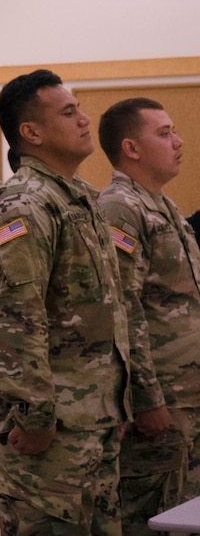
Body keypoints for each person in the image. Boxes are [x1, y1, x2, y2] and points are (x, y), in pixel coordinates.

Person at [0, 69, 130, 535]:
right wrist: (36, 415)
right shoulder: (24, 204)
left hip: (91, 417)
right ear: (31, 133)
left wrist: (118, 401)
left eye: (79, 107)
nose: (85, 119)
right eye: (69, 112)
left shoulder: (80, 198)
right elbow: (15, 319)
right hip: (49, 431)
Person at [97, 98, 200, 534]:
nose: (178, 142)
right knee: (149, 518)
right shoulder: (121, 207)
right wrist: (146, 397)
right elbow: (124, 307)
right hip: (163, 400)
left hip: (186, 393)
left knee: (183, 512)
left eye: (175, 131)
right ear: (131, 148)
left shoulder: (163, 206)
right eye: (164, 133)